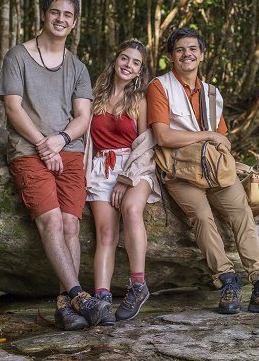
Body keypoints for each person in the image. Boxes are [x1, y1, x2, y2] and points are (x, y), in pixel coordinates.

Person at [146, 27, 259, 318]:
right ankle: (227, 281)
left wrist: (218, 146)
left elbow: (222, 139)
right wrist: (208, 136)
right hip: (179, 169)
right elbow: (163, 136)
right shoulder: (159, 86)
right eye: (179, 49)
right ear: (171, 57)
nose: (186, 54)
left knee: (242, 213)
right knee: (202, 217)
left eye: (192, 49)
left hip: (214, 169)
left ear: (201, 54)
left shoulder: (212, 93)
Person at [0, 0, 110, 330]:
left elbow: (82, 117)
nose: (61, 19)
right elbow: (13, 107)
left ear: (74, 23)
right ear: (44, 15)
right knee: (52, 223)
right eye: (55, 12)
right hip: (28, 151)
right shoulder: (17, 56)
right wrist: (43, 145)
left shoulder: (77, 67)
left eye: (68, 15)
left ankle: (65, 305)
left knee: (72, 224)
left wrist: (60, 140)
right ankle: (79, 294)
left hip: (69, 151)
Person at [85, 39, 160, 325]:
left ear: (141, 70)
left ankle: (138, 286)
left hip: (136, 166)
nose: (128, 65)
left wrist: (126, 178)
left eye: (135, 62)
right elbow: (87, 138)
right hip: (101, 169)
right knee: (105, 235)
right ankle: (102, 299)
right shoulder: (97, 95)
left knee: (130, 209)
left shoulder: (140, 99)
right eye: (125, 59)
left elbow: (145, 143)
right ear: (115, 60)